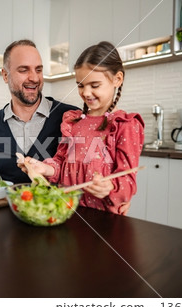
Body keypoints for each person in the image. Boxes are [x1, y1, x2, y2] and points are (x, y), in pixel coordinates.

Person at [20, 41, 144, 215]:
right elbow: (61, 163)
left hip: (104, 219)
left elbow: (128, 181)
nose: (86, 92)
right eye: (80, 85)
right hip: (66, 212)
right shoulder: (73, 121)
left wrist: (110, 187)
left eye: (94, 85)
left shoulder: (125, 125)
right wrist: (43, 168)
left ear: (117, 79)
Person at [0, 39, 77, 184]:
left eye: (38, 70)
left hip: (59, 206)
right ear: (5, 75)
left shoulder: (71, 117)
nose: (34, 78)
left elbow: (82, 173)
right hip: (8, 206)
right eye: (23, 70)